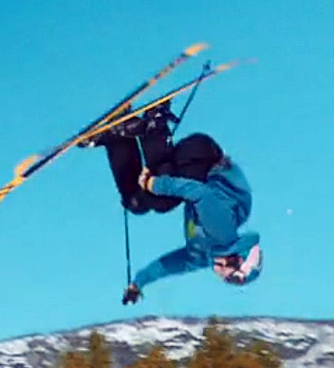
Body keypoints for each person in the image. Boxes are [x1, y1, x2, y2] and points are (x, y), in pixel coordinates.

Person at [90, 105, 262, 305]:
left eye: (229, 281)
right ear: (238, 259)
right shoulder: (223, 232)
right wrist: (154, 183)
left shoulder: (201, 255)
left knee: (136, 203)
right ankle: (155, 125)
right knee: (160, 200)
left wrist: (138, 283)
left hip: (188, 168)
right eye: (232, 275)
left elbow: (166, 267)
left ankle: (117, 141)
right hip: (202, 156)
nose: (224, 277)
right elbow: (200, 194)